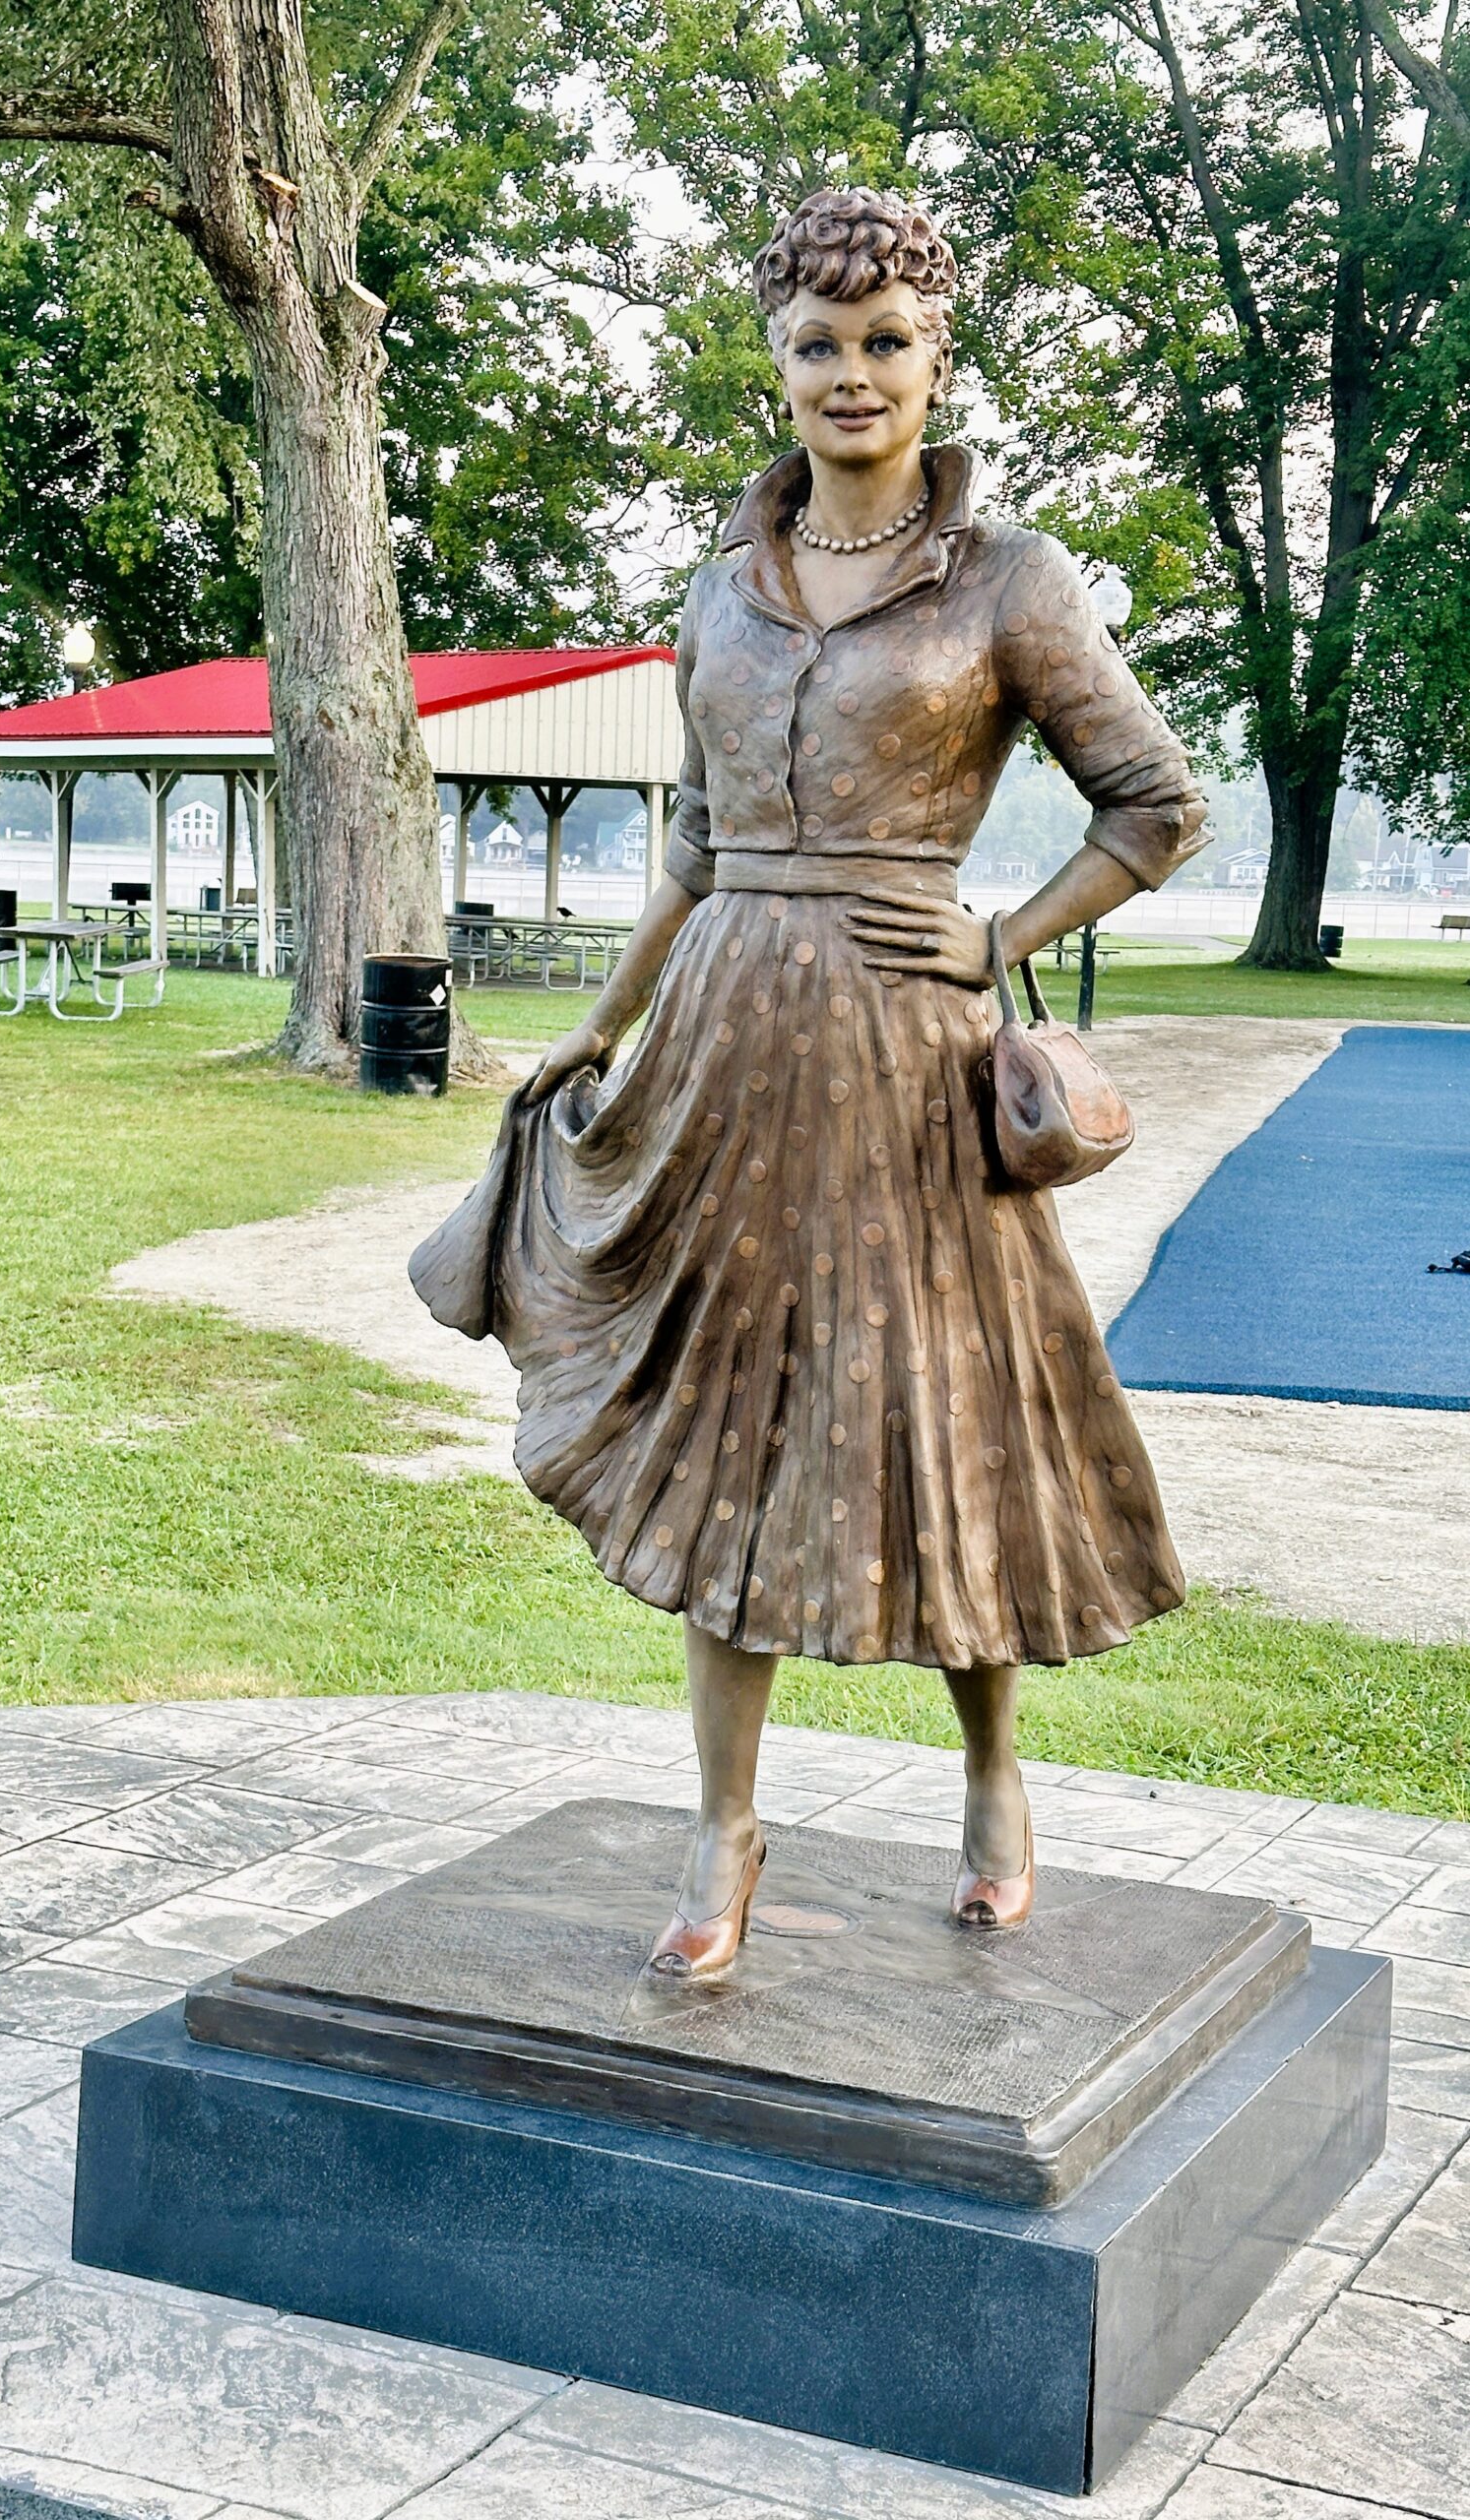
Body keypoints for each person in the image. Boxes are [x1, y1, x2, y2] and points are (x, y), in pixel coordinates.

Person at [411, 185, 1205, 1975]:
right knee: (725, 1429)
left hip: (907, 1068)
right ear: (776, 363)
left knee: (949, 1417)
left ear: (939, 359)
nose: (853, 375)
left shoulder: (1012, 581)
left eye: (888, 343)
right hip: (720, 1058)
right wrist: (606, 1022)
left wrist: (1000, 939)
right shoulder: (721, 591)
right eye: (818, 345)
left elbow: (1155, 803)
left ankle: (995, 1777)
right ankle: (725, 1827)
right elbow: (694, 840)